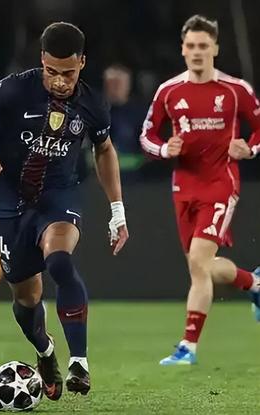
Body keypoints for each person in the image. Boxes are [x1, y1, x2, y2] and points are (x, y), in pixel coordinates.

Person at [0, 22, 128, 398]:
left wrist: (118, 210)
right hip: (8, 200)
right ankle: (45, 351)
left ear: (82, 63)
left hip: (58, 197)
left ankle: (79, 362)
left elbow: (104, 149)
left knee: (59, 260)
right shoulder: (15, 88)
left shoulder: (92, 103)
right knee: (26, 298)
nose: (60, 81)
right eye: (51, 71)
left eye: (68, 73)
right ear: (41, 60)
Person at [139, 15, 260, 366]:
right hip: (183, 186)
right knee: (199, 267)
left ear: (215, 49)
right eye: (191, 46)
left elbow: (258, 129)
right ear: (182, 49)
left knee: (200, 261)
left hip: (221, 183)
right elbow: (146, 135)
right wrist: (165, 149)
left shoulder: (235, 90)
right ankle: (253, 283)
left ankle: (188, 348)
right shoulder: (169, 91)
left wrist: (249, 148)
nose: (197, 52)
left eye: (203, 46)